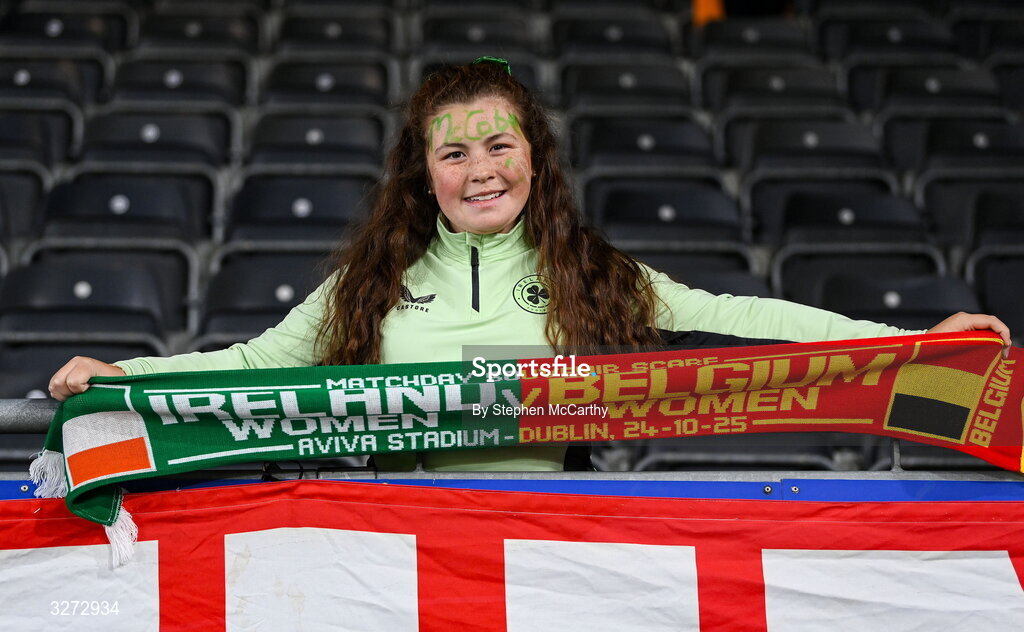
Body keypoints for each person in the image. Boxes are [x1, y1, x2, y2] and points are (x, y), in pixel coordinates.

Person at [48, 59, 1011, 472]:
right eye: (453, 153)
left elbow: (746, 318)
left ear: (534, 157)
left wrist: (917, 341)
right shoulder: (368, 284)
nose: (480, 170)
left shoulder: (587, 268)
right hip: (393, 538)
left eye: (499, 147)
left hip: (549, 528)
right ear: (423, 175)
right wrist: (128, 377)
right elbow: (259, 366)